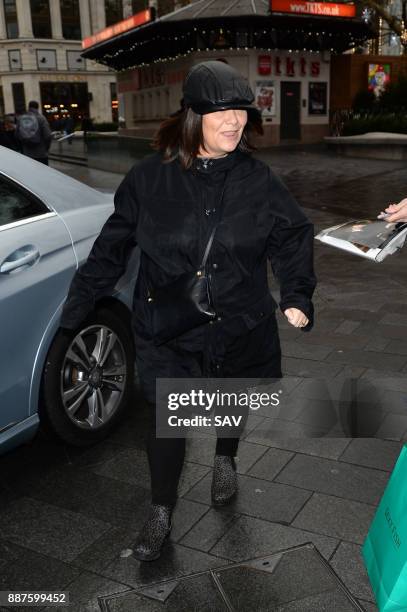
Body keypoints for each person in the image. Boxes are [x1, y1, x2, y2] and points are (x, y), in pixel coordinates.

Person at [59, 60, 316, 562]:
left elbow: (293, 233)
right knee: (166, 418)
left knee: (233, 399)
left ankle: (225, 456)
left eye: (241, 110)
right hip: (169, 326)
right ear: (193, 115)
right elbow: (111, 249)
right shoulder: (148, 179)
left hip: (240, 321)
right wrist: (77, 309)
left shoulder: (258, 180)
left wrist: (296, 294)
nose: (235, 121)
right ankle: (160, 508)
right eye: (222, 110)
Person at [16, 100, 52, 165]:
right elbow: (48, 135)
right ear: (38, 107)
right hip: (41, 153)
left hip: (27, 153)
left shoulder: (21, 118)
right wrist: (46, 148)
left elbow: (17, 135)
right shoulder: (41, 118)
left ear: (29, 107)